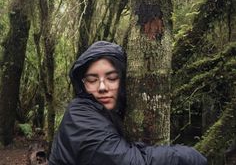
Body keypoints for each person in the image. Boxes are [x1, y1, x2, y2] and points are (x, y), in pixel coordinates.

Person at [49, 41, 207, 165]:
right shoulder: (80, 115)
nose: (102, 87)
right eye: (92, 80)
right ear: (83, 84)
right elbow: (129, 161)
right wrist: (190, 157)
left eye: (112, 78)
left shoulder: (109, 113)